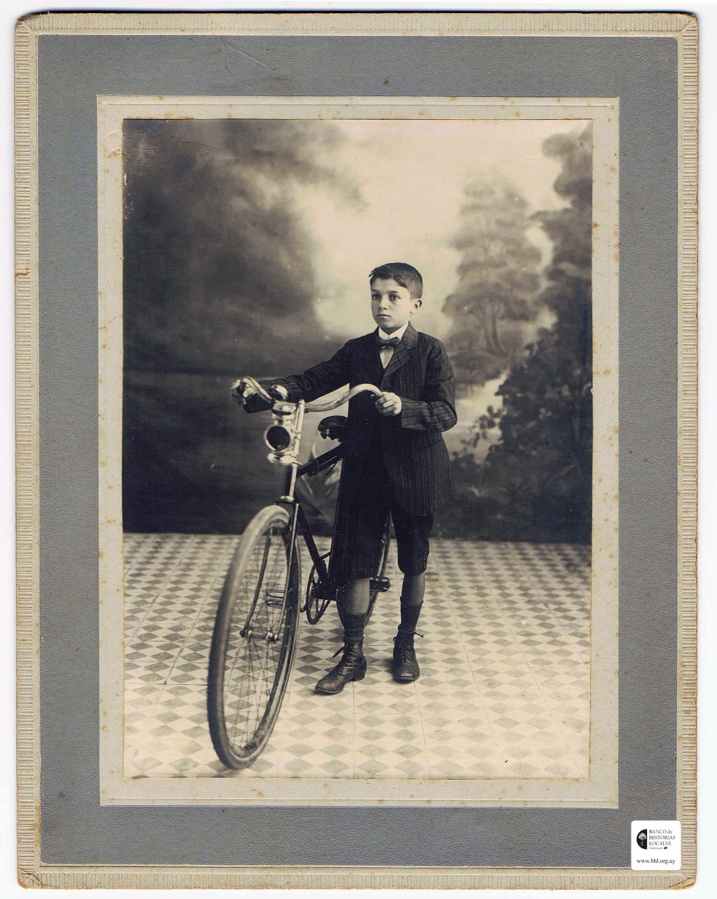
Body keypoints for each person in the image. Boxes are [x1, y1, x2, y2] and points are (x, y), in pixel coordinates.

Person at [237, 262, 457, 694]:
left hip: (416, 470)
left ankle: (405, 643)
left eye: (393, 297)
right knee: (357, 560)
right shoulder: (357, 350)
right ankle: (353, 654)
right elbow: (313, 380)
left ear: (415, 304)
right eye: (376, 295)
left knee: (414, 560)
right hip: (366, 468)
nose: (382, 304)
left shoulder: (431, 351)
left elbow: (446, 412)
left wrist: (405, 407)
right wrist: (267, 390)